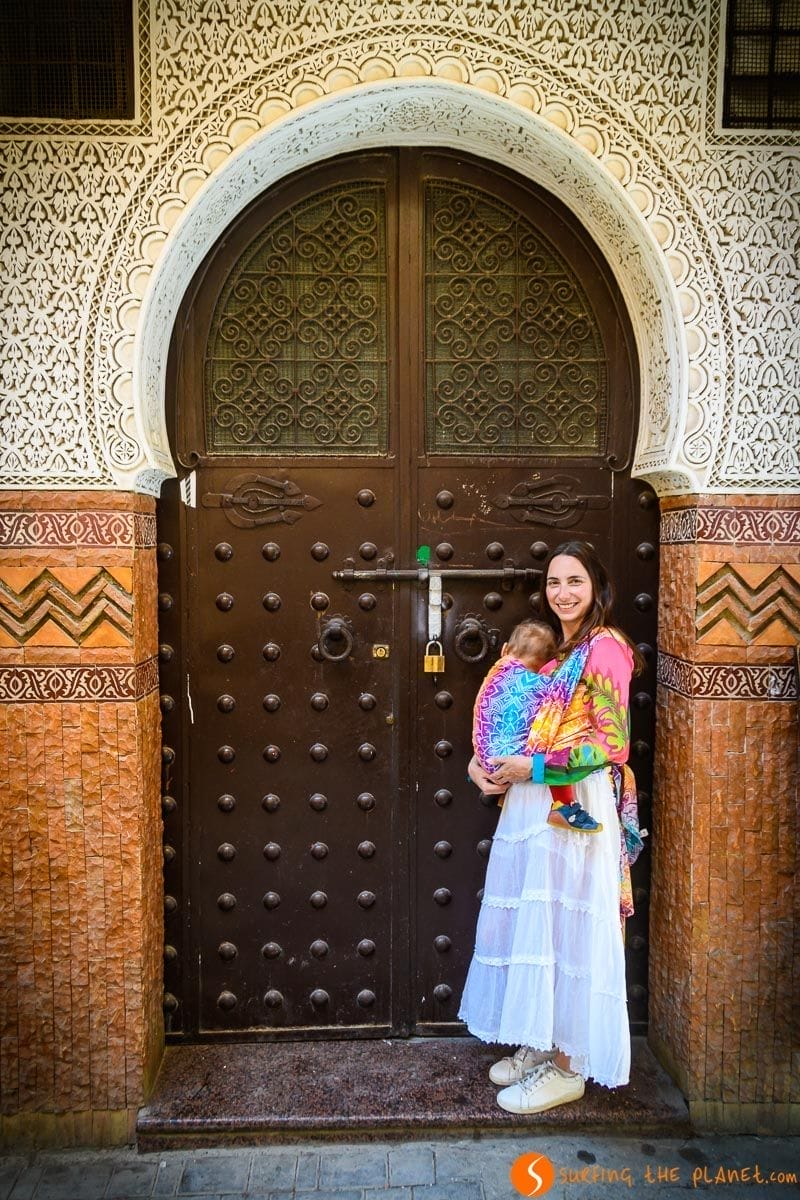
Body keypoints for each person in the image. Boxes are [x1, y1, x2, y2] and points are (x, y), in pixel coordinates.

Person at [459, 540, 644, 1115]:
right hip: (534, 801)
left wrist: (533, 767)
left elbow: (610, 744)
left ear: (598, 588)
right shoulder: (561, 650)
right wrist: (482, 763)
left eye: (576, 582)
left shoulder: (607, 648)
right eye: (555, 582)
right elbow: (514, 718)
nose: (563, 593)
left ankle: (570, 1068)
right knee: (546, 923)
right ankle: (543, 1043)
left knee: (572, 925)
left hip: (575, 800)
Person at [472, 618, 603, 833]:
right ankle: (564, 806)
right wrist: (578, 658)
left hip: (484, 757)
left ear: (504, 649)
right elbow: (561, 688)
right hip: (512, 760)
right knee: (554, 733)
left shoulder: (494, 677)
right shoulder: (535, 683)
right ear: (545, 666)